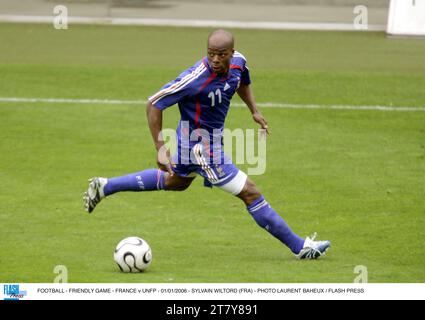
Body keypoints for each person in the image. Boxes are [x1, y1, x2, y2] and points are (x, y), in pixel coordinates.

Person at [83, 29, 330, 259]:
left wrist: (254, 110)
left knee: (176, 182)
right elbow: (154, 103)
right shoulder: (194, 79)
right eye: (211, 53)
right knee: (251, 192)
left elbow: (240, 81)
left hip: (201, 142)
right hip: (200, 148)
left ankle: (105, 187)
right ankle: (301, 247)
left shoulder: (238, 62)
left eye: (221, 55)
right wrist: (160, 147)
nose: (215, 59)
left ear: (231, 53)